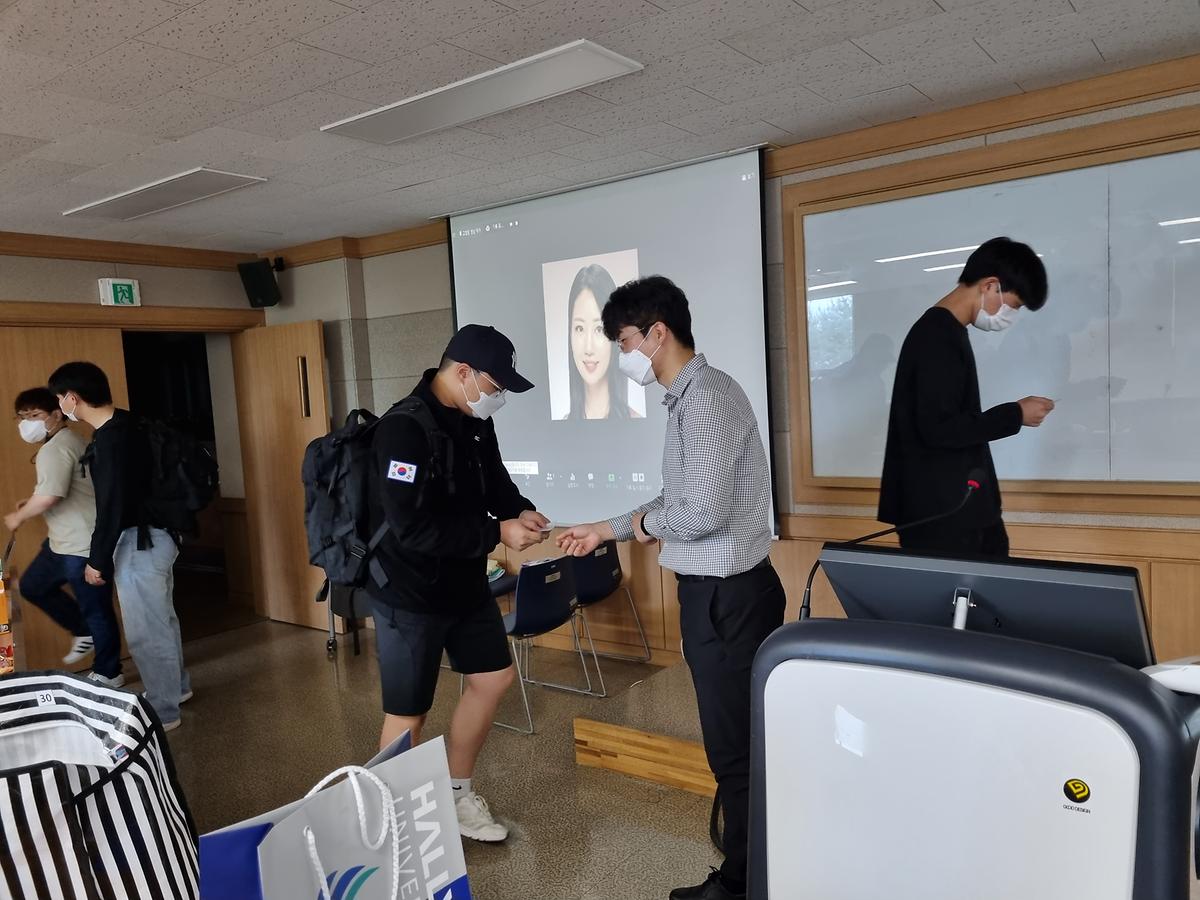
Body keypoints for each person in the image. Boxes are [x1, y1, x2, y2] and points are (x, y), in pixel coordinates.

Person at [558, 276, 782, 900]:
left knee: (734, 751)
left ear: (658, 333)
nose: (621, 355)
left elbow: (700, 513)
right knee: (737, 745)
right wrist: (606, 528)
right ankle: (753, 869)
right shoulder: (691, 396)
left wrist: (636, 527)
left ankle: (742, 884)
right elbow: (679, 498)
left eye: (624, 341)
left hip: (727, 597)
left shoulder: (703, 397)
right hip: (723, 593)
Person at [366, 324, 549, 843]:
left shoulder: (474, 421)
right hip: (409, 592)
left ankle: (456, 793)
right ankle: (388, 824)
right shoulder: (402, 430)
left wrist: (520, 510)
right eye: (495, 385)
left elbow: (494, 482)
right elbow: (411, 528)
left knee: (492, 678)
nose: (498, 397)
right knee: (409, 712)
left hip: (464, 582)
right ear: (463, 372)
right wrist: (496, 533)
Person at [879, 236, 1054, 557]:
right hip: (944, 518)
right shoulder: (936, 336)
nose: (1010, 317)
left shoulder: (947, 331)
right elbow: (938, 429)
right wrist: (1015, 414)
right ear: (990, 286)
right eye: (1013, 306)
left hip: (958, 512)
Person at [48, 362, 191, 731]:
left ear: (72, 398)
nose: (61, 405)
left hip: (141, 541)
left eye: (60, 398)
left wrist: (97, 561)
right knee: (162, 619)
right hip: (162, 535)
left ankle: (163, 710)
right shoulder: (131, 423)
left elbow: (111, 507)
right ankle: (176, 689)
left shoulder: (111, 439)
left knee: (146, 629)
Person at [4, 388, 122, 687]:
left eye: (35, 415)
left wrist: (19, 516)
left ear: (57, 414)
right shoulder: (67, 441)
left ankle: (109, 673)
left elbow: (50, 496)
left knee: (96, 610)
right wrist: (30, 502)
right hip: (61, 541)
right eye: (23, 417)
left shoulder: (56, 448)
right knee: (33, 585)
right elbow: (58, 486)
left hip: (81, 543)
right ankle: (82, 630)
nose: (27, 423)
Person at [563, 263, 640, 420]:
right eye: (579, 328)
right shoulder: (564, 422)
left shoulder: (634, 420)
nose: (588, 348)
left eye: (599, 329)